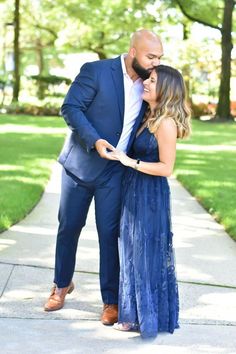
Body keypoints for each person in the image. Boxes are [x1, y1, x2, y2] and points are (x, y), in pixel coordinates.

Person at [44, 29, 164, 326]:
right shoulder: (96, 71)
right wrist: (95, 140)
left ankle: (110, 300)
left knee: (110, 235)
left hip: (115, 172)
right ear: (133, 51)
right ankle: (61, 285)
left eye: (159, 58)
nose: (155, 63)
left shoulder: (151, 83)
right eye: (151, 57)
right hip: (80, 167)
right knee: (69, 227)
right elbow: (70, 107)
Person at [110, 65, 191, 338]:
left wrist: (129, 161)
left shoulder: (165, 122)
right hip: (134, 188)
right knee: (131, 249)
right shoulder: (148, 116)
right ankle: (133, 312)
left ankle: (147, 315)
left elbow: (166, 168)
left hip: (150, 193)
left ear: (165, 89)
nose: (146, 83)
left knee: (146, 251)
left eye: (152, 81)